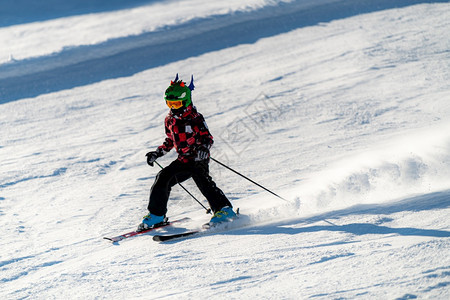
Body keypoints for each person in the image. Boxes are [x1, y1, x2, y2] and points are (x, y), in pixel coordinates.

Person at [138, 74, 236, 231]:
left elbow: (207, 138)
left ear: (186, 101)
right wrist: (157, 153)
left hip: (198, 158)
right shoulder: (170, 120)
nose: (173, 107)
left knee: (202, 180)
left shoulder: (194, 118)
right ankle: (157, 215)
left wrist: (203, 149)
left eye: (176, 104)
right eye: (170, 103)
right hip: (183, 160)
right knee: (163, 177)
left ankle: (223, 210)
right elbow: (170, 140)